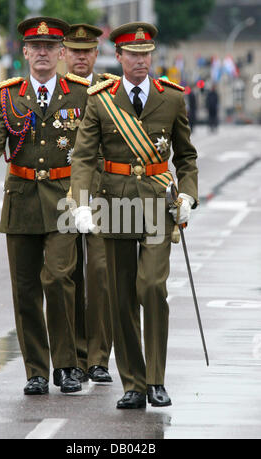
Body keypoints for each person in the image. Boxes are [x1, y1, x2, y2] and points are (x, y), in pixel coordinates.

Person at [70, 22, 198, 409]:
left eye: (146, 55)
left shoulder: (171, 98)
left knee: (151, 288)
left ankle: (156, 379)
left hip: (159, 205)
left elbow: (186, 156)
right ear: (119, 58)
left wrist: (189, 193)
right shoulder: (101, 99)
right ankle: (133, 383)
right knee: (121, 295)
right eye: (133, 55)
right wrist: (79, 203)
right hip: (116, 204)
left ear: (151, 56)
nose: (140, 61)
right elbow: (83, 156)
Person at [0, 17, 93, 396]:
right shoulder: (8, 95)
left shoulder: (80, 94)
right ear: (24, 52)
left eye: (49, 46)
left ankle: (68, 365)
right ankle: (36, 371)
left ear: (60, 53)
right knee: (25, 290)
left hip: (64, 201)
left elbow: (91, 148)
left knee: (58, 279)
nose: (42, 52)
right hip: (21, 199)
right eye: (34, 46)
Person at [62, 24, 113, 384]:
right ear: (64, 53)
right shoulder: (53, 91)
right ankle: (75, 358)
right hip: (62, 196)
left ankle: (98, 358)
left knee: (100, 276)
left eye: (87, 51)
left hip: (103, 195)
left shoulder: (110, 91)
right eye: (74, 51)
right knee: (68, 276)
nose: (81, 57)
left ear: (96, 54)